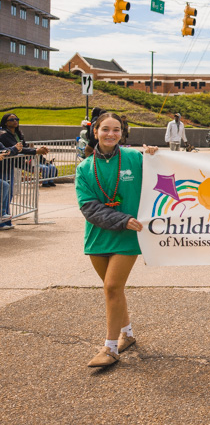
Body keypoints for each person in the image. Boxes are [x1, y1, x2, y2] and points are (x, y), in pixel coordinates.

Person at [75, 112, 158, 367]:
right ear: (95, 132)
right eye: (106, 129)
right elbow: (88, 207)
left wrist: (157, 157)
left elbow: (164, 174)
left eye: (117, 130)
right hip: (98, 237)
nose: (111, 134)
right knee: (115, 290)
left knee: (111, 287)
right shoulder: (84, 168)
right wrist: (120, 218)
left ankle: (110, 348)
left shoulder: (135, 158)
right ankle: (128, 334)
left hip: (127, 237)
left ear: (123, 133)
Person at [0, 113, 57, 187]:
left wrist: (38, 149)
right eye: (11, 119)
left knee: (9, 189)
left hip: (14, 163)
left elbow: (24, 147)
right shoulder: (3, 134)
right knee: (5, 188)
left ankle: (49, 182)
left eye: (16, 119)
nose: (15, 121)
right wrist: (36, 151)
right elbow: (17, 148)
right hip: (6, 164)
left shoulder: (18, 133)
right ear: (5, 122)